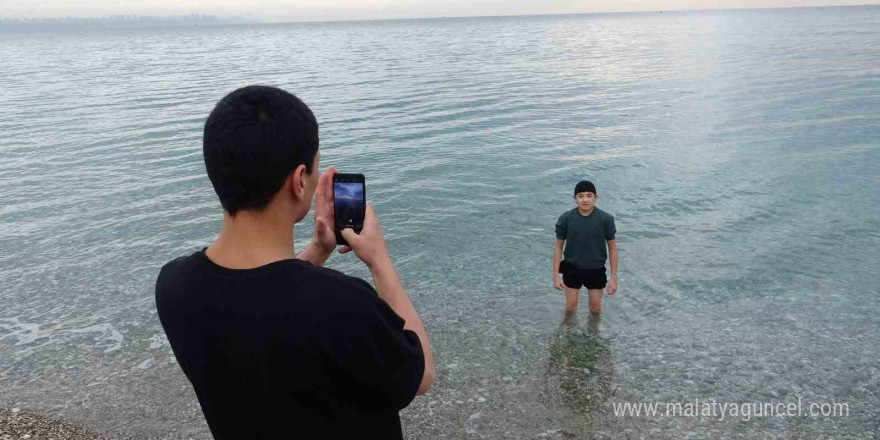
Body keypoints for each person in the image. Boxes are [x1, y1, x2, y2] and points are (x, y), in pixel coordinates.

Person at [154, 85, 435, 439]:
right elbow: (420, 376)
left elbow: (262, 298)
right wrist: (379, 260)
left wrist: (318, 250)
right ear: (300, 180)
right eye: (315, 169)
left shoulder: (175, 286)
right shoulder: (342, 304)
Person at [552, 180, 618, 314]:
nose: (585, 199)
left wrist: (613, 278)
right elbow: (558, 247)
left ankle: (594, 333)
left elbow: (612, 248)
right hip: (571, 268)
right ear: (575, 198)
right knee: (570, 307)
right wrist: (555, 276)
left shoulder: (606, 219)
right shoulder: (566, 218)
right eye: (581, 196)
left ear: (595, 197)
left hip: (596, 269)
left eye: (589, 195)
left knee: (595, 308)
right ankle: (567, 333)